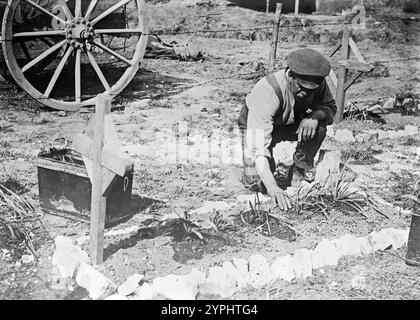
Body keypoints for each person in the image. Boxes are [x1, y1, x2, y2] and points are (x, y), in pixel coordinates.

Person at [237, 48, 337, 212]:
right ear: (290, 76)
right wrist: (273, 187)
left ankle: (299, 168)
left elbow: (331, 108)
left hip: (290, 122)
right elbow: (258, 149)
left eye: (312, 90)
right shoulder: (267, 92)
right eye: (302, 88)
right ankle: (260, 177)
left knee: (319, 127)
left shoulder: (316, 83)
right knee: (256, 185)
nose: (306, 93)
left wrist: (316, 116)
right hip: (255, 127)